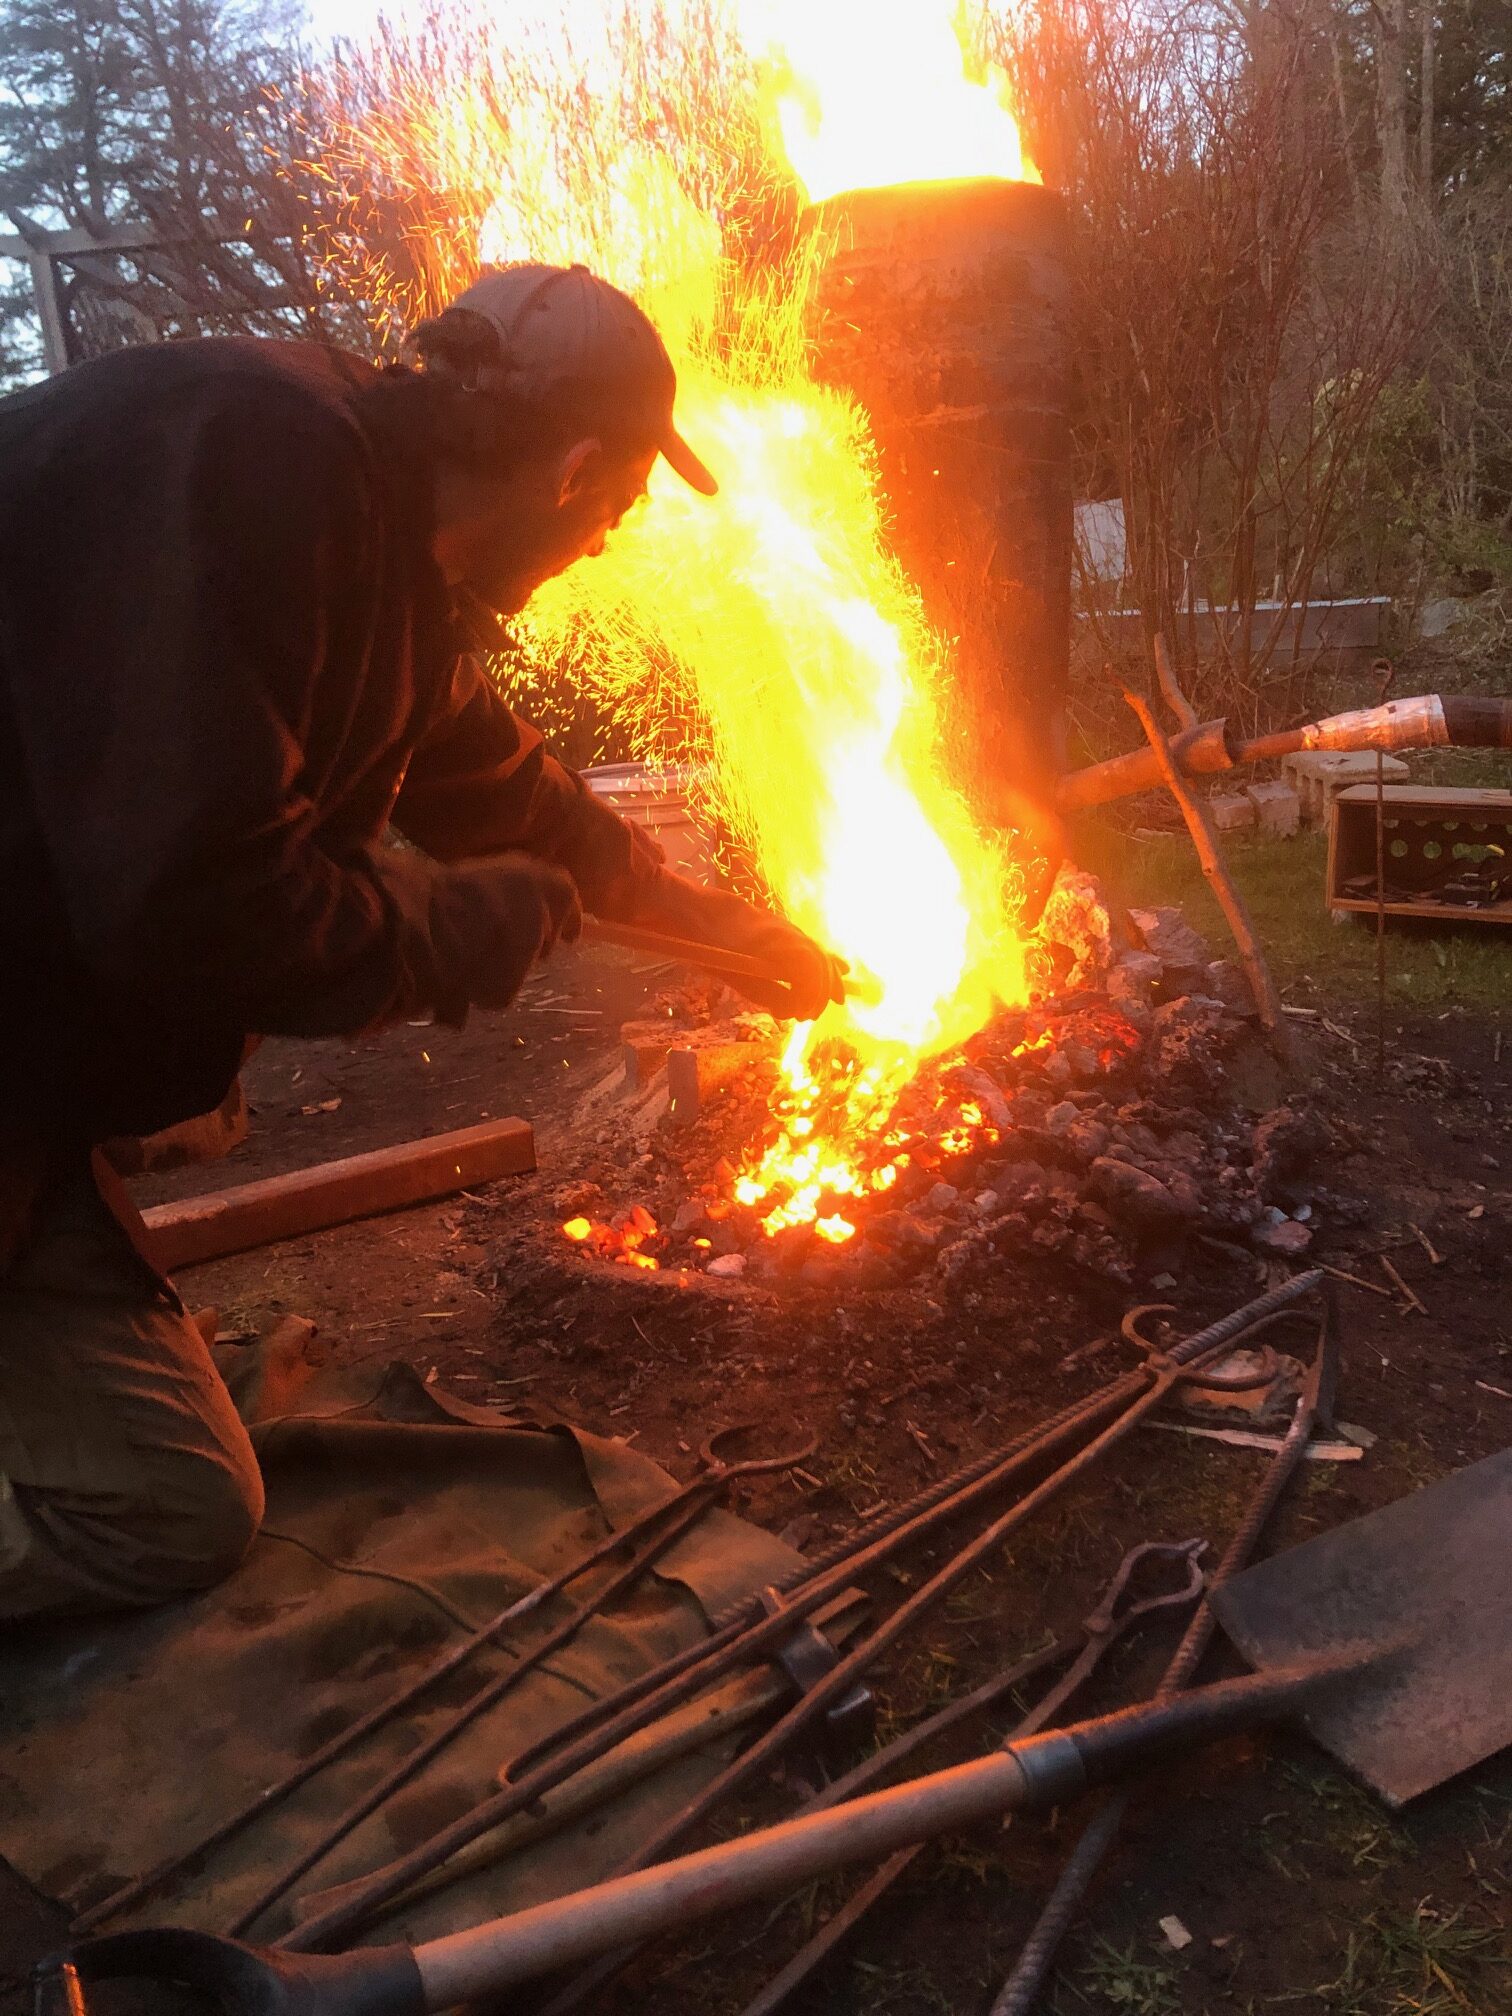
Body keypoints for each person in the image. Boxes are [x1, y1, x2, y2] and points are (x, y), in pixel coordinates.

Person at [0, 262, 845, 1620]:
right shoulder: (248, 457)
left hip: (34, 1044)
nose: (607, 545)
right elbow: (189, 897)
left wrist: (732, 937)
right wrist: (451, 928)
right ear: (576, 470)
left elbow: (517, 799)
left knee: (181, 1124)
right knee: (168, 1513)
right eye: (622, 509)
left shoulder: (378, 550)